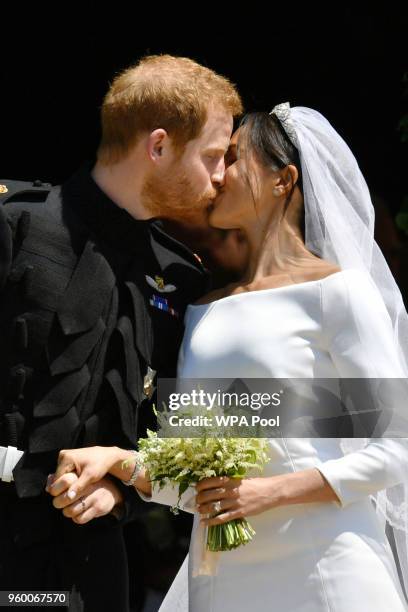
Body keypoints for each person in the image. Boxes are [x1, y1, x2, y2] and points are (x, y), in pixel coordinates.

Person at [48, 104, 408, 611]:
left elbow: (397, 448)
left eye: (233, 159)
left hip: (327, 566)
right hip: (222, 576)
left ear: (283, 180)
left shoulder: (338, 293)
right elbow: (196, 476)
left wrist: (271, 492)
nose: (216, 175)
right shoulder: (200, 308)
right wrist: (119, 463)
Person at [0, 54, 242, 611]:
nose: (221, 176)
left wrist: (122, 492)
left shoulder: (183, 277)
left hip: (90, 564)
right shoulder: (17, 223)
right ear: (157, 147)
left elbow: (176, 429)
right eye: (211, 156)